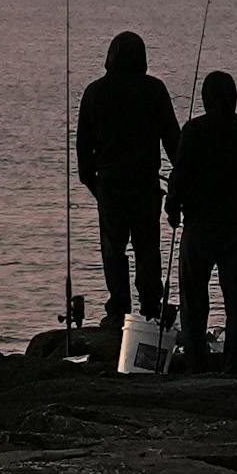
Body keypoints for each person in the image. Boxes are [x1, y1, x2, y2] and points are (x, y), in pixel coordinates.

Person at [70, 27, 175, 336]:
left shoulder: (94, 92)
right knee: (147, 248)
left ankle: (119, 309)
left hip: (110, 186)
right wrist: (182, 183)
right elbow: (173, 142)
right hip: (144, 185)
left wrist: (97, 186)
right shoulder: (154, 90)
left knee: (113, 249)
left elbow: (82, 152)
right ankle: (151, 309)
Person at [166, 67, 237, 362]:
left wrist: (172, 208)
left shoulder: (193, 131)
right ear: (233, 98)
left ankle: (196, 360)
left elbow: (180, 176)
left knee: (193, 300)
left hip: (199, 228)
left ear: (205, 99)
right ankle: (236, 362)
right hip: (236, 228)